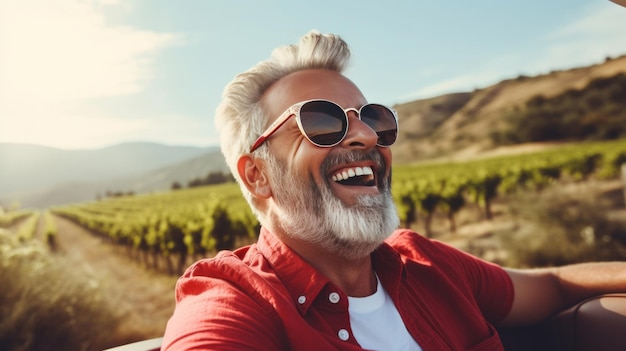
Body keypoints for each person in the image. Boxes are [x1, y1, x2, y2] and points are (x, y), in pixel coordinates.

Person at [161, 31, 626, 351]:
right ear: (256, 176)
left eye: (374, 119)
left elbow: (553, 285)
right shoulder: (236, 299)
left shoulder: (427, 264)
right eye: (322, 121)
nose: (365, 136)